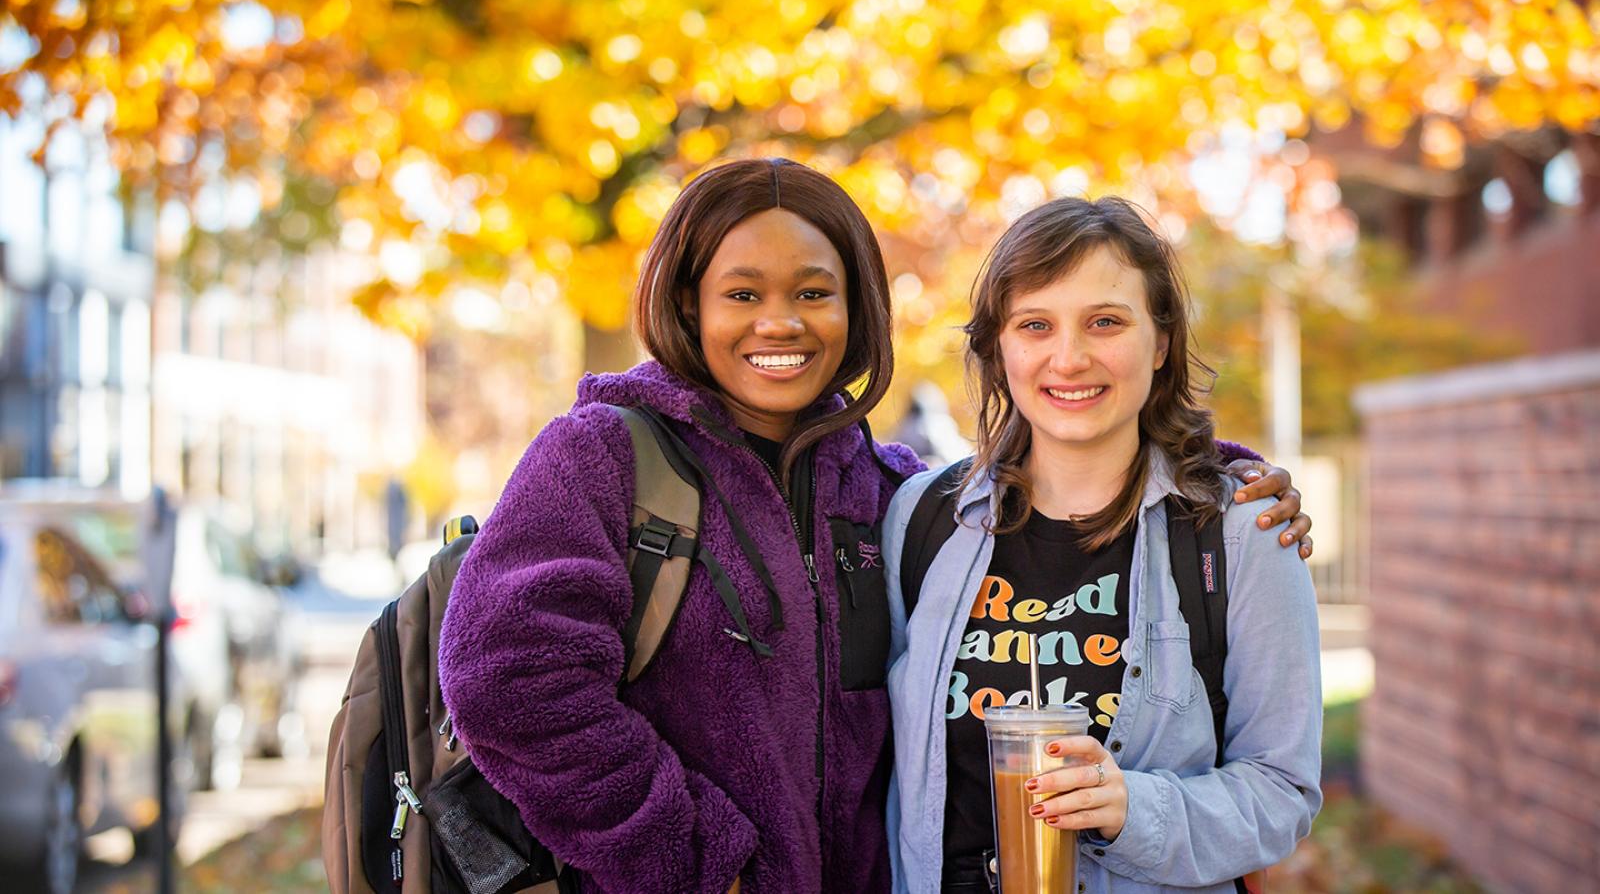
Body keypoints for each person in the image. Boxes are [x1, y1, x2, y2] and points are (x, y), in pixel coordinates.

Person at [438, 160, 1312, 893]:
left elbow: (1082, 450)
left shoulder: (888, 492)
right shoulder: (602, 459)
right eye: (742, 292)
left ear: (855, 309)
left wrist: (1220, 473)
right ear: (689, 303)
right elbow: (506, 681)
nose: (779, 321)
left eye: (814, 291)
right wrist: (705, 864)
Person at [882, 196, 1323, 893]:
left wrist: (1134, 809)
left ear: (1162, 342)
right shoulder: (923, 520)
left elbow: (1282, 790)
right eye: (1035, 325)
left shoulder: (1242, 533)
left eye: (1106, 322)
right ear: (999, 348)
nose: (1070, 356)